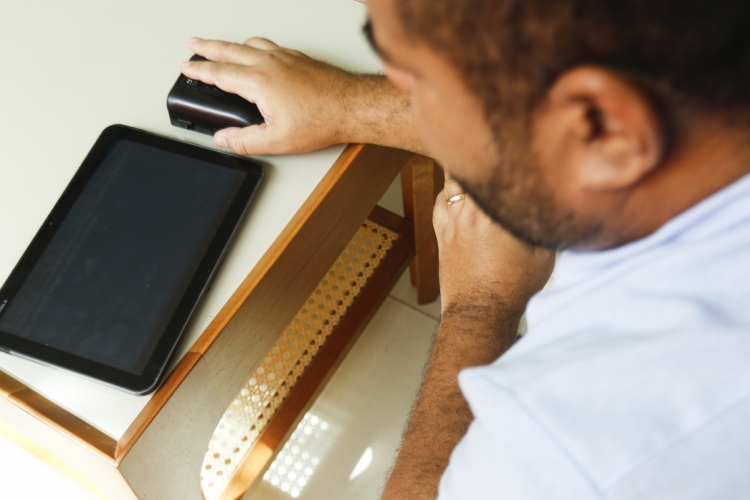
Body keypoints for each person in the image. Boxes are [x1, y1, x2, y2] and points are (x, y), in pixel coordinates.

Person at [181, 0, 750, 498]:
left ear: (603, 127)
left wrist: (480, 306)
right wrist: (349, 104)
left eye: (415, 80)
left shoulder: (584, 442)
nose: (403, 95)